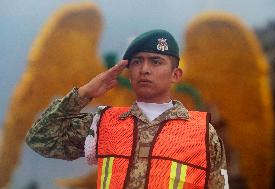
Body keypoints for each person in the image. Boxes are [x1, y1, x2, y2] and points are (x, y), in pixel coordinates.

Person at [26, 29, 229, 189]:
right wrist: (84, 93)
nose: (144, 69)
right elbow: (40, 138)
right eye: (137, 62)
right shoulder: (105, 124)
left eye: (156, 61)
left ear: (175, 75)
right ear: (128, 73)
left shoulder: (201, 133)